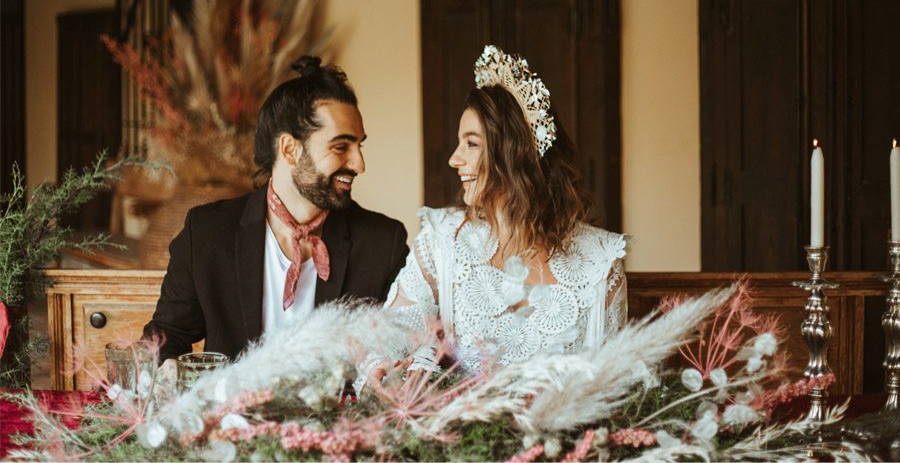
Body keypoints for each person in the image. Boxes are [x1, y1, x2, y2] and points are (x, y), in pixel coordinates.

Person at [371, 45, 627, 379]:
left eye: (471, 144)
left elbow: (617, 386)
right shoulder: (443, 239)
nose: (454, 159)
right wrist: (387, 367)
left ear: (514, 154)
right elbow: (393, 334)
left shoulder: (600, 262)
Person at [144, 56, 409, 362]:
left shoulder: (382, 243)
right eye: (341, 147)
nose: (359, 164)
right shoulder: (206, 232)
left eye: (359, 146)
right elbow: (167, 338)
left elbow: (401, 349)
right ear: (289, 149)